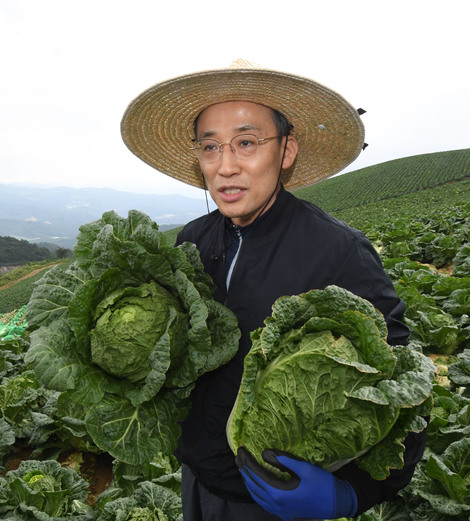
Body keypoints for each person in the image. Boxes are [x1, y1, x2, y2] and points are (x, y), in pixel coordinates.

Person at [121, 59, 425, 521]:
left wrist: (354, 492)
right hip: (199, 482)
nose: (225, 167)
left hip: (278, 496)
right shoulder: (192, 241)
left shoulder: (338, 251)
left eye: (246, 143)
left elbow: (405, 383)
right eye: (210, 147)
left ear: (286, 152)